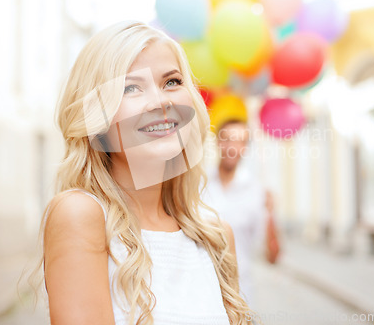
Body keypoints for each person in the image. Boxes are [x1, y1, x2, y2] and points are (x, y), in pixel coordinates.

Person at [37, 21, 253, 325]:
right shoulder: (81, 216)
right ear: (97, 121)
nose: (161, 102)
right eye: (131, 87)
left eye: (172, 82)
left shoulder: (217, 237)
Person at [203, 119, 280, 305]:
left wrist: (271, 216)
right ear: (218, 143)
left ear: (245, 147)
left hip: (240, 296)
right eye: (227, 139)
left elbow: (272, 257)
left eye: (239, 141)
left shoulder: (257, 193)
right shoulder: (198, 186)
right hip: (201, 293)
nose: (232, 147)